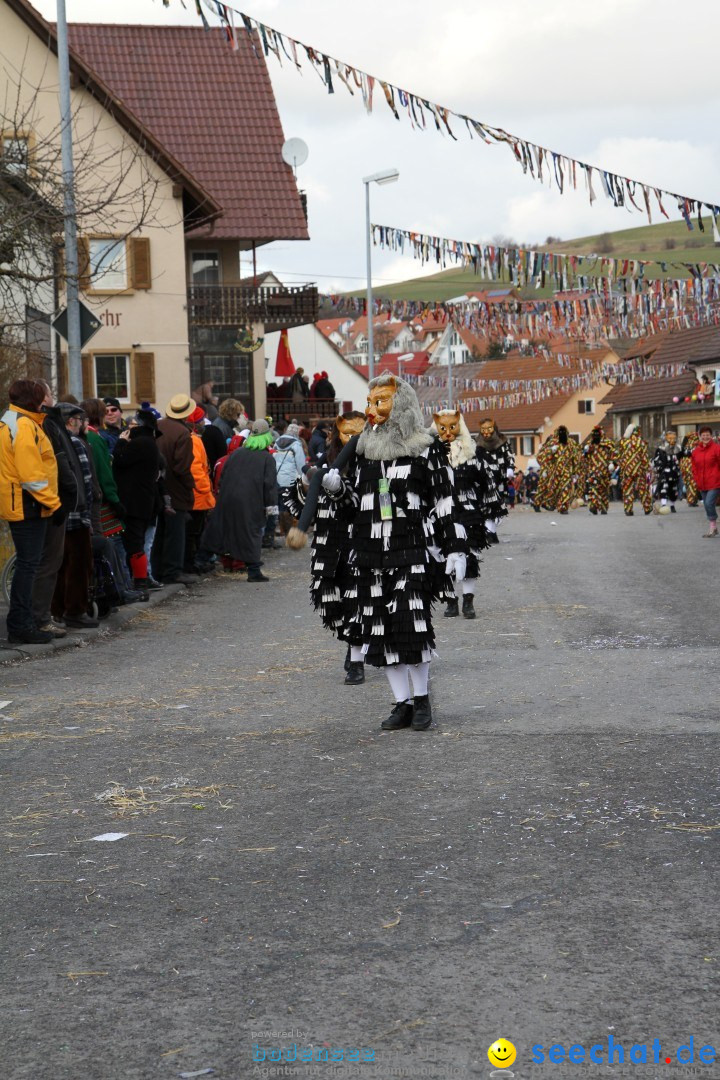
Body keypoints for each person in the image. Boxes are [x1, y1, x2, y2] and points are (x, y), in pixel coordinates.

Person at [289, 374, 467, 732]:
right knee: (380, 630)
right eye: (369, 402)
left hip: (411, 550)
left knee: (411, 626)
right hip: (369, 555)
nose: (371, 410)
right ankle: (401, 702)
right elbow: (358, 505)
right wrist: (339, 491)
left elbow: (445, 500)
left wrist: (456, 548)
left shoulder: (425, 447)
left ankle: (421, 700)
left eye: (380, 401)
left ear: (400, 403)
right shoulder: (362, 449)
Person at [285, 411, 367, 682]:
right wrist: (304, 485)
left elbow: (360, 505)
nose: (351, 438)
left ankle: (356, 657)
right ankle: (351, 640)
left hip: (358, 539)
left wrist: (341, 490)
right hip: (327, 543)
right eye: (346, 432)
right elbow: (302, 504)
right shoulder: (325, 460)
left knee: (357, 599)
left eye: (357, 432)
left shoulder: (371, 464)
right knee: (327, 600)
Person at [0, 379, 63, 644]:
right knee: (29, 565)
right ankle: (21, 625)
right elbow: (32, 475)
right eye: (43, 396)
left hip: (24, 502)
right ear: (34, 399)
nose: (46, 400)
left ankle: (21, 623)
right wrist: (54, 503)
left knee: (28, 565)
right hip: (29, 504)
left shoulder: (14, 422)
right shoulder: (24, 426)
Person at [31, 380, 86, 638]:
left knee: (51, 563)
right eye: (49, 393)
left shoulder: (47, 423)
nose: (54, 397)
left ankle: (42, 617)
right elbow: (55, 464)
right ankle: (40, 619)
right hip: (49, 504)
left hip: (54, 502)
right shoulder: (43, 424)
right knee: (48, 563)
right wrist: (62, 501)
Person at [432, 409, 494, 620]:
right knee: (443, 558)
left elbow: (486, 484)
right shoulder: (431, 456)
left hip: (469, 513)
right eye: (443, 428)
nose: (448, 432)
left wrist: (487, 512)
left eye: (452, 427)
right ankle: (450, 601)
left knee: (470, 556)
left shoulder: (473, 454)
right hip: (442, 513)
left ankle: (468, 600)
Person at [200, 419, 278, 582]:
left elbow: (223, 477)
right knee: (251, 533)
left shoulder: (236, 453)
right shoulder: (267, 458)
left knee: (220, 530)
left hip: (228, 498)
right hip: (251, 501)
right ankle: (254, 572)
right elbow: (269, 486)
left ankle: (200, 560)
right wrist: (271, 509)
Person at [51, 404, 98, 629]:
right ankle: (76, 610)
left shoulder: (55, 440)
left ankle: (57, 611)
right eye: (80, 419)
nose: (82, 423)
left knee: (58, 565)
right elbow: (85, 482)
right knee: (79, 565)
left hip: (58, 513)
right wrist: (87, 515)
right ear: (72, 421)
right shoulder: (75, 443)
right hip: (76, 515)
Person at [112, 407, 163, 591]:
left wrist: (120, 443)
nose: (129, 427)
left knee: (135, 543)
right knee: (138, 541)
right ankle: (140, 579)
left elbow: (119, 460)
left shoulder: (139, 443)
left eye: (133, 424)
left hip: (133, 502)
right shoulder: (150, 442)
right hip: (144, 500)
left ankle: (140, 581)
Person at [153, 394, 197, 585]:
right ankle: (172, 572)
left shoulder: (157, 426)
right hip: (175, 490)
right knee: (175, 533)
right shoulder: (182, 433)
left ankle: (157, 571)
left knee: (158, 533)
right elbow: (182, 467)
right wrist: (190, 485)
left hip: (155, 487)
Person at [185, 406, 216, 572]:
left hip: (194, 495)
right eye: (201, 419)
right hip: (198, 496)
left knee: (193, 533)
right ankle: (193, 564)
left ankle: (194, 563)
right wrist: (206, 492)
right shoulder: (194, 441)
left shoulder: (191, 439)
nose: (205, 421)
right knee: (194, 533)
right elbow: (197, 470)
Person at [474, 416, 514, 540]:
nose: (486, 432)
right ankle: (489, 531)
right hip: (483, 479)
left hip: (499, 478)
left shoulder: (502, 442)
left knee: (497, 504)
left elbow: (509, 456)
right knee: (485, 504)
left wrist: (510, 467)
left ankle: (491, 530)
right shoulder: (477, 443)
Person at [536, 425, 581, 514]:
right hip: (554, 472)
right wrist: (550, 452)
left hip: (567, 471)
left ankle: (563, 507)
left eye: (564, 433)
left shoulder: (571, 443)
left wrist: (575, 472)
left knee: (565, 488)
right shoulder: (552, 443)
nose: (562, 435)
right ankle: (551, 503)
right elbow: (542, 456)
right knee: (554, 489)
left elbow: (576, 458)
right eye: (560, 433)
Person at [273, 420, 307, 538]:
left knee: (279, 503)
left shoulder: (277, 442)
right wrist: (302, 477)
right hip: (290, 478)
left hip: (277, 477)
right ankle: (288, 530)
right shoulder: (296, 444)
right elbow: (301, 464)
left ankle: (280, 527)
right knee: (289, 503)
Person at [617, 424, 652, 516]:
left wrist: (623, 467)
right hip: (639, 470)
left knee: (627, 489)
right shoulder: (641, 442)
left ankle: (628, 509)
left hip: (627, 471)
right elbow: (644, 457)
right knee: (643, 489)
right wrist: (647, 467)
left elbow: (619, 456)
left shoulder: (623, 442)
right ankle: (647, 507)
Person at [691, 425, 720, 538]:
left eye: (708, 435)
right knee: (707, 506)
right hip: (702, 483)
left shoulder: (716, 448)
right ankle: (714, 528)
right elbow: (694, 466)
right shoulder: (696, 451)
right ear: (700, 436)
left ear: (711, 436)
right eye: (703, 435)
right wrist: (696, 477)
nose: (706, 437)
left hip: (715, 481)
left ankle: (713, 525)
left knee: (709, 503)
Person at [582, 426, 616, 515]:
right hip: (593, 470)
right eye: (594, 434)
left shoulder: (608, 443)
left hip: (605, 471)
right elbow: (585, 457)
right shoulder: (589, 444)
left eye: (598, 434)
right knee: (593, 488)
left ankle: (604, 508)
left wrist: (612, 463)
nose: (596, 436)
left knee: (604, 490)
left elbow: (614, 454)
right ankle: (593, 505)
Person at [652, 430, 681, 514]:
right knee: (663, 488)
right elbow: (656, 460)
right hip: (664, 472)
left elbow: (680, 457)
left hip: (674, 472)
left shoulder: (678, 448)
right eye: (669, 438)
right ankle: (664, 505)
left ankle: (672, 505)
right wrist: (660, 467)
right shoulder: (660, 449)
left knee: (673, 490)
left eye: (673, 438)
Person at [680, 432, 700, 506]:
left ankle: (692, 500)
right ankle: (692, 500)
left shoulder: (686, 446)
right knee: (692, 484)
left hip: (686, 468)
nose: (697, 441)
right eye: (696, 439)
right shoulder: (692, 446)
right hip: (690, 468)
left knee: (689, 484)